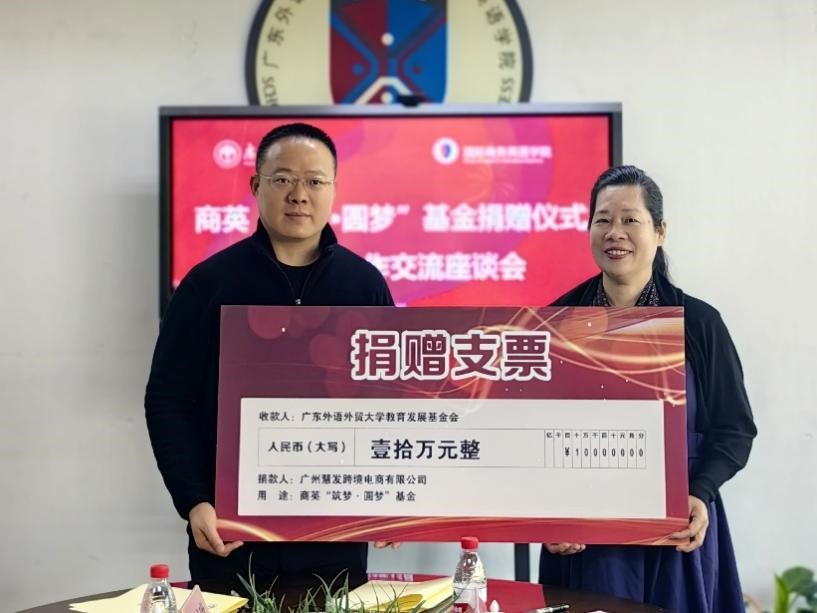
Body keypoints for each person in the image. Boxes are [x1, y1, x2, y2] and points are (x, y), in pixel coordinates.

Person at [145, 123, 394, 593]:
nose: (299, 194)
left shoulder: (363, 285)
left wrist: (396, 501)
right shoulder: (208, 283)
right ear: (256, 185)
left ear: (334, 189)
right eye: (283, 179)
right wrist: (194, 500)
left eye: (315, 181)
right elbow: (167, 400)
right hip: (232, 538)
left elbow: (390, 400)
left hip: (335, 536)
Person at [539, 165, 756, 612]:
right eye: (602, 220)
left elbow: (734, 430)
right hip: (586, 537)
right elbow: (529, 431)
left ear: (660, 231)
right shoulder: (556, 321)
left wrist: (701, 493)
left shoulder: (699, 323)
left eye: (630, 220)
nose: (614, 232)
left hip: (676, 529)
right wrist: (548, 516)